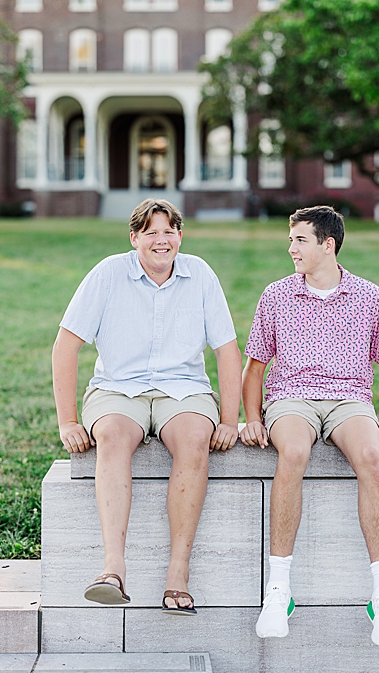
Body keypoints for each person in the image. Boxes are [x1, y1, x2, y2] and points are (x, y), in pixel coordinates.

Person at [52, 198, 242, 615]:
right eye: (151, 232)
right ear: (135, 237)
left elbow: (228, 351)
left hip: (184, 389)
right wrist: (68, 420)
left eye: (169, 231)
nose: (162, 240)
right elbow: (66, 346)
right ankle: (112, 568)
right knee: (114, 436)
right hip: (118, 388)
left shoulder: (201, 275)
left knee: (195, 438)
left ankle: (178, 573)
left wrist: (230, 419)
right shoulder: (108, 274)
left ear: (180, 235)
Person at [240, 205, 379, 647]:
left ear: (327, 245)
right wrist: (253, 419)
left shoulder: (369, 296)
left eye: (300, 240)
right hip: (290, 398)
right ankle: (279, 589)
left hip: (349, 398)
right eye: (291, 239)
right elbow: (255, 368)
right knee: (294, 452)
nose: (291, 247)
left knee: (371, 456)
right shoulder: (275, 295)